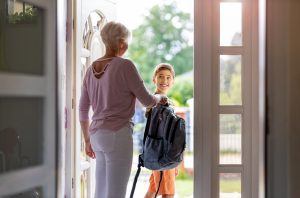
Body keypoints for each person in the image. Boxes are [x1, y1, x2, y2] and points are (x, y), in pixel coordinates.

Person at [79, 21, 167, 198]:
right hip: (117, 134)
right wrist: (161, 98)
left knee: (100, 191)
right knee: (116, 193)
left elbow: (82, 109)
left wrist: (87, 140)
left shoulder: (90, 69)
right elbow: (147, 100)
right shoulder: (125, 66)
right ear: (120, 43)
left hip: (96, 135)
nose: (127, 46)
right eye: (126, 42)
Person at [144, 63, 178, 198]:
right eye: (161, 77)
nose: (165, 81)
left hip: (157, 152)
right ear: (154, 79)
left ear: (173, 81)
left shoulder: (155, 100)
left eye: (169, 77)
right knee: (168, 193)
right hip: (163, 153)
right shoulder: (160, 102)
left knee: (153, 190)